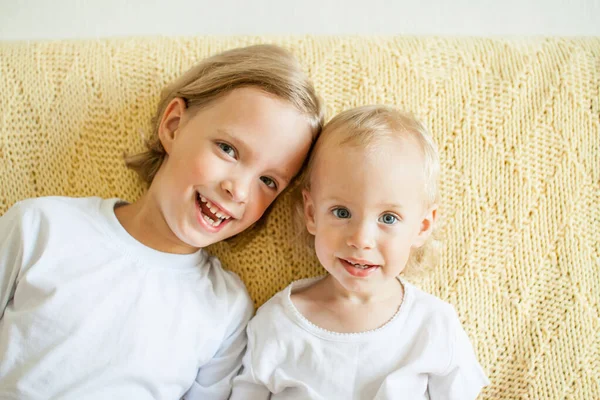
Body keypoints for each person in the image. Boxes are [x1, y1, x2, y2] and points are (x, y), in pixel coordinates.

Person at [0, 44, 323, 400]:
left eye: (268, 181)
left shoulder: (225, 309)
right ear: (173, 126)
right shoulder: (41, 227)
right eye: (228, 149)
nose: (239, 191)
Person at [230, 105, 489, 399]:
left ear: (422, 226)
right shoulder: (277, 324)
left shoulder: (433, 325)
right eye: (341, 212)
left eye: (388, 218)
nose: (361, 239)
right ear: (312, 214)